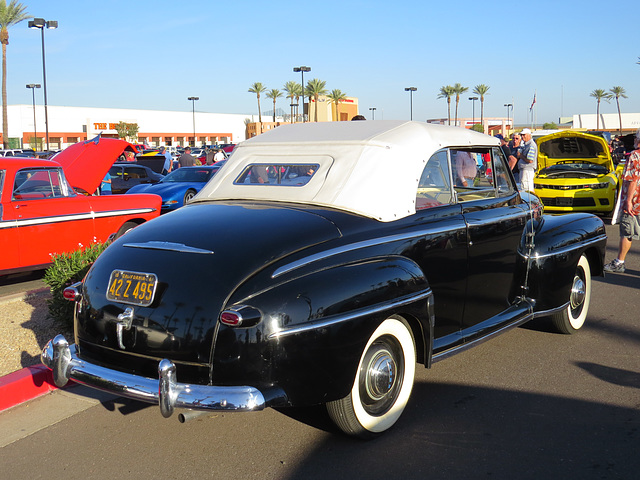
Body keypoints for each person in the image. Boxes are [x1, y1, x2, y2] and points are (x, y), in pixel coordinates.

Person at [604, 128, 640, 273]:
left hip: (635, 202)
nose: (634, 140)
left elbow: (633, 179)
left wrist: (628, 201)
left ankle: (619, 262)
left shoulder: (635, 156)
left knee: (627, 232)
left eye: (636, 138)